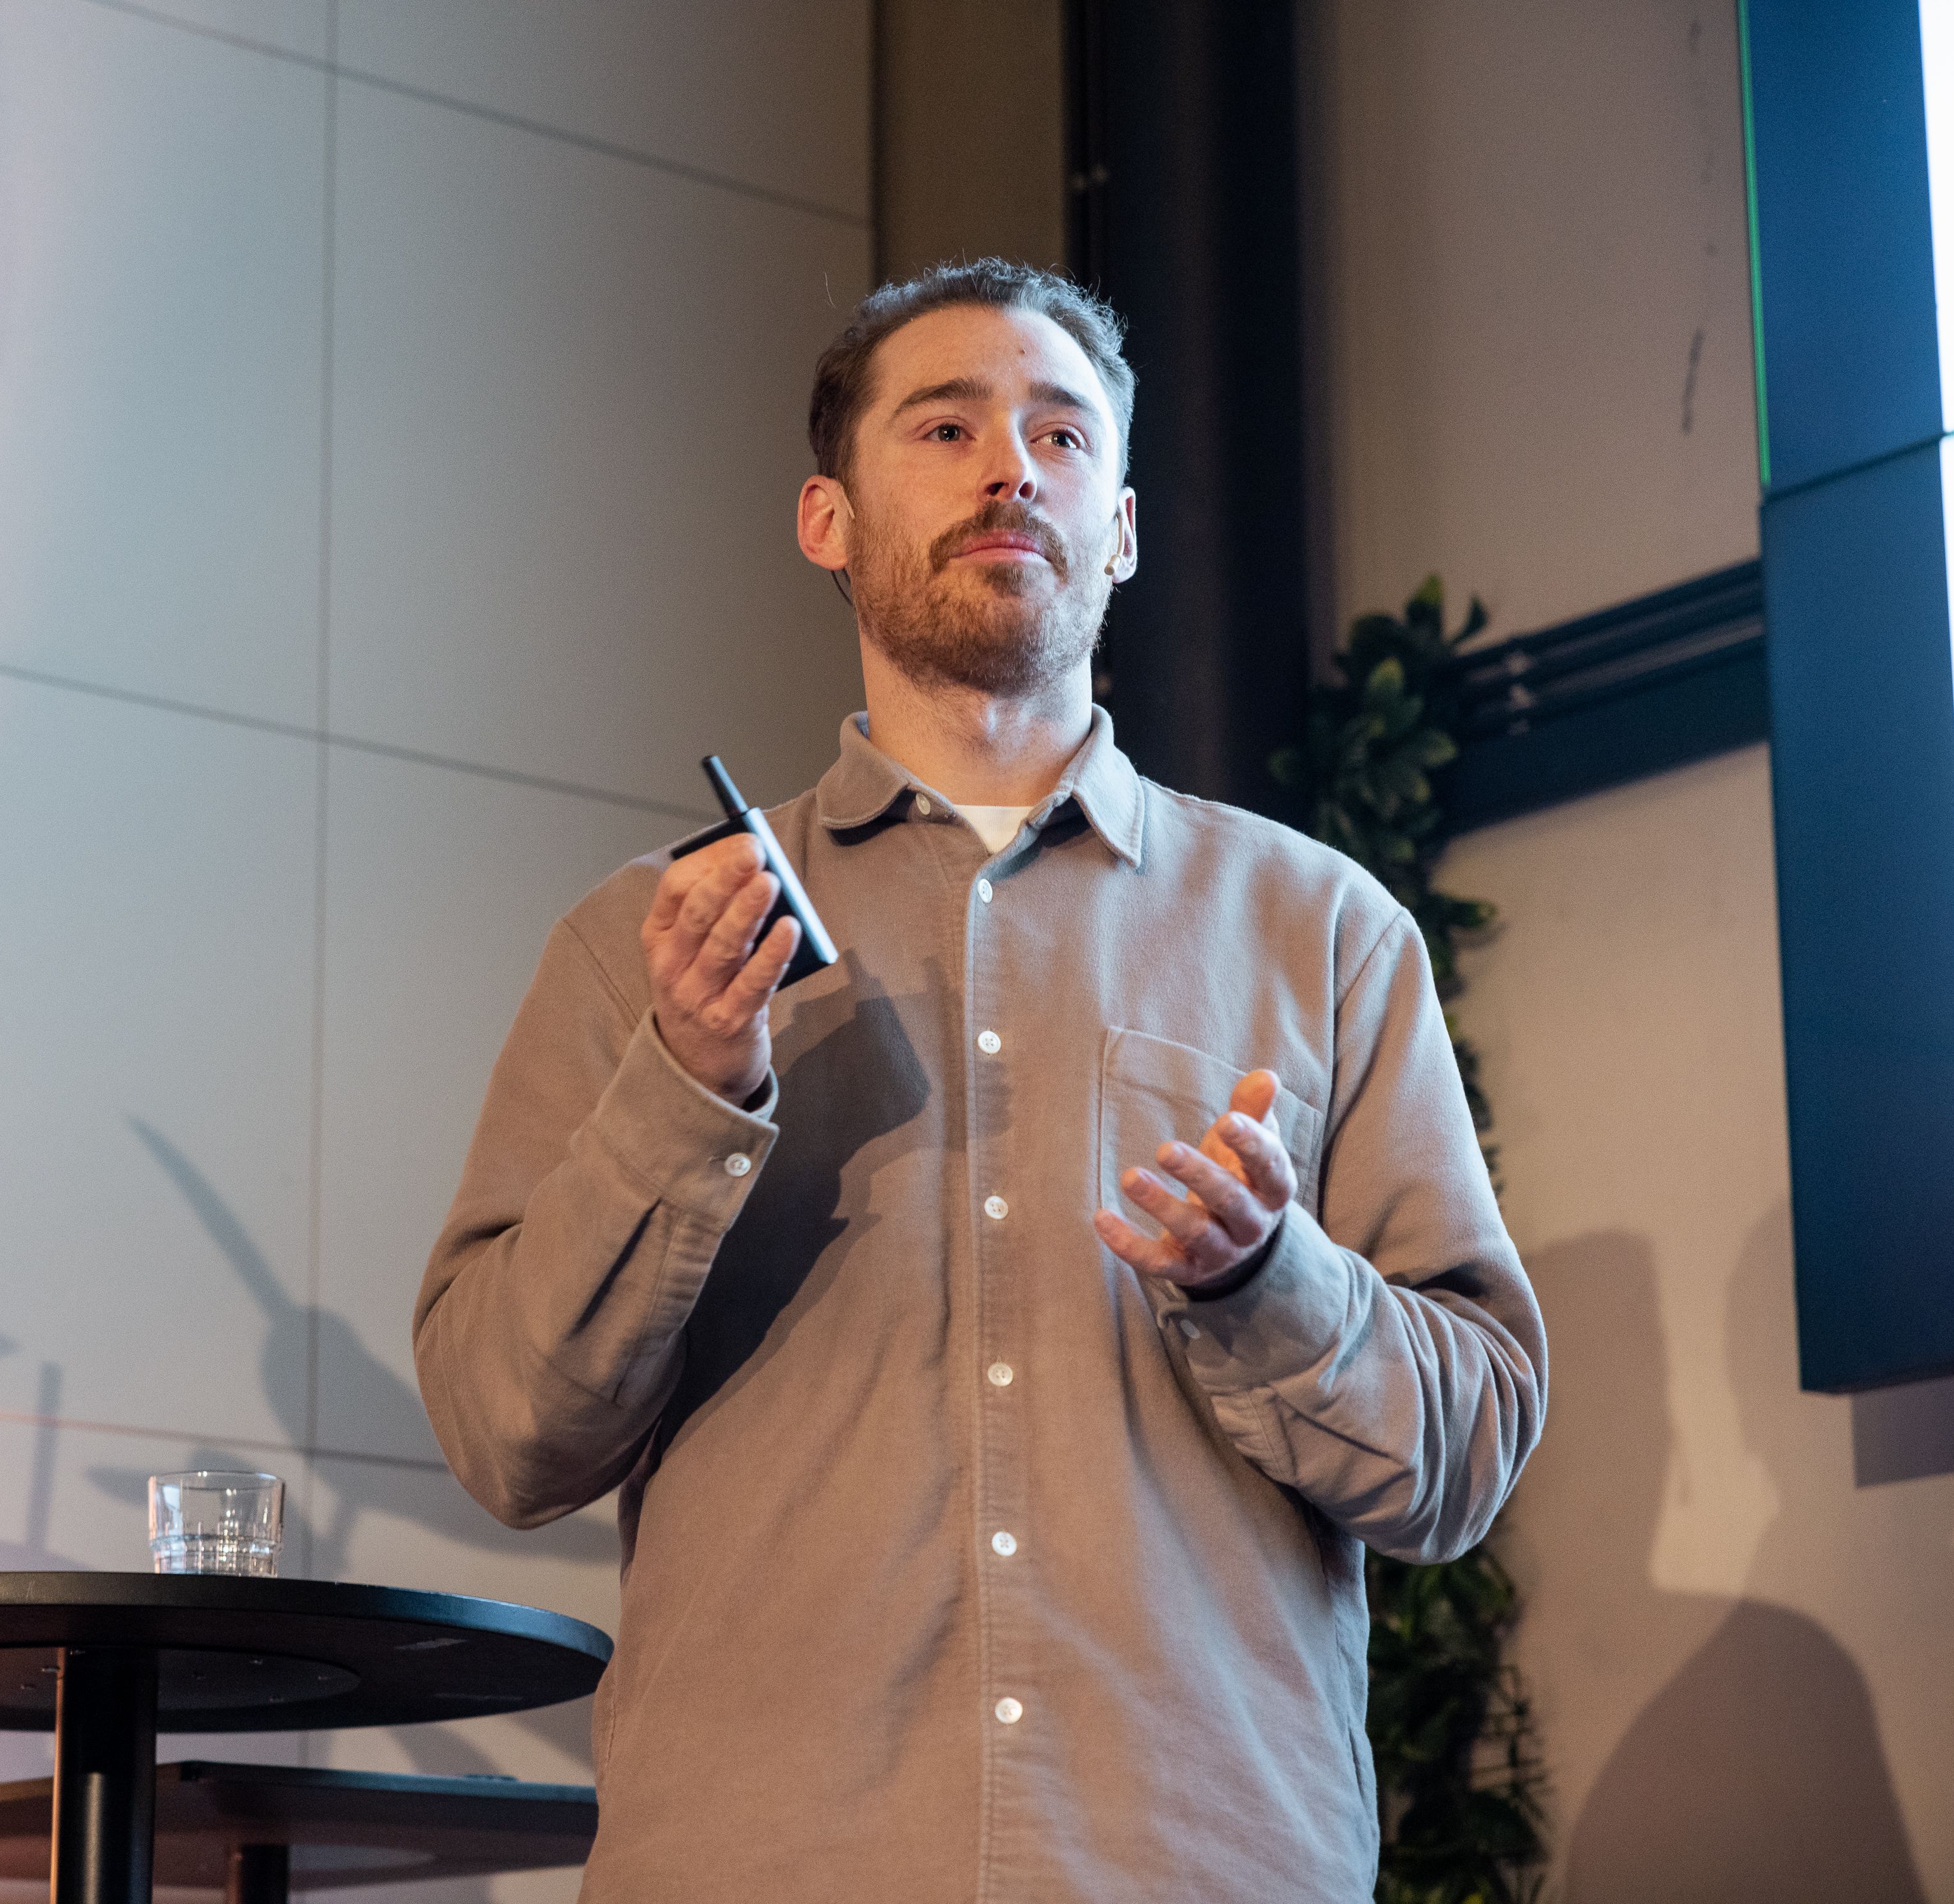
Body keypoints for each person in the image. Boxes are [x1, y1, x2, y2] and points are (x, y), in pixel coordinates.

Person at [412, 259, 1547, 1900]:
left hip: (1196, 1863)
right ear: (825, 516)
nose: (1011, 465)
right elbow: (507, 1434)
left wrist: (1265, 1279)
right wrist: (686, 1081)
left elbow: (1463, 1456)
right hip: (763, 1861)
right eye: (945, 425)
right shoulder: (644, 942)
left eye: (1062, 434)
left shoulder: (1322, 932)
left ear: (1126, 527)